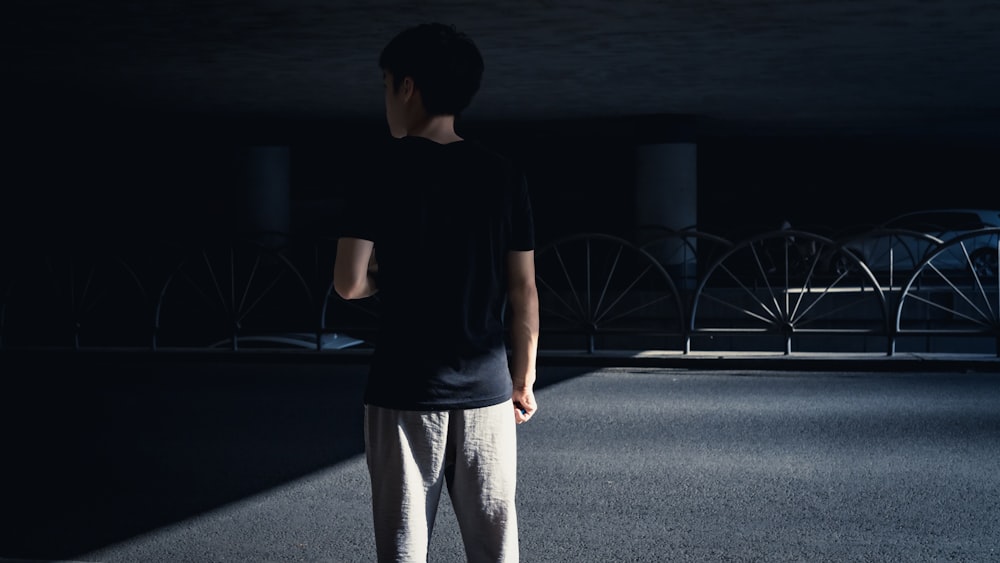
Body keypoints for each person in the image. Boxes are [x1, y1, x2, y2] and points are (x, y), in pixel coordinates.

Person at [333, 22, 540, 563]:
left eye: (385, 86)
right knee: (495, 549)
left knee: (404, 548)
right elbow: (524, 291)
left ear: (407, 86)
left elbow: (349, 283)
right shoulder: (504, 174)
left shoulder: (377, 168)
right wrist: (523, 379)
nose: (386, 101)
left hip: (403, 387)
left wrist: (391, 274)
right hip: (487, 390)